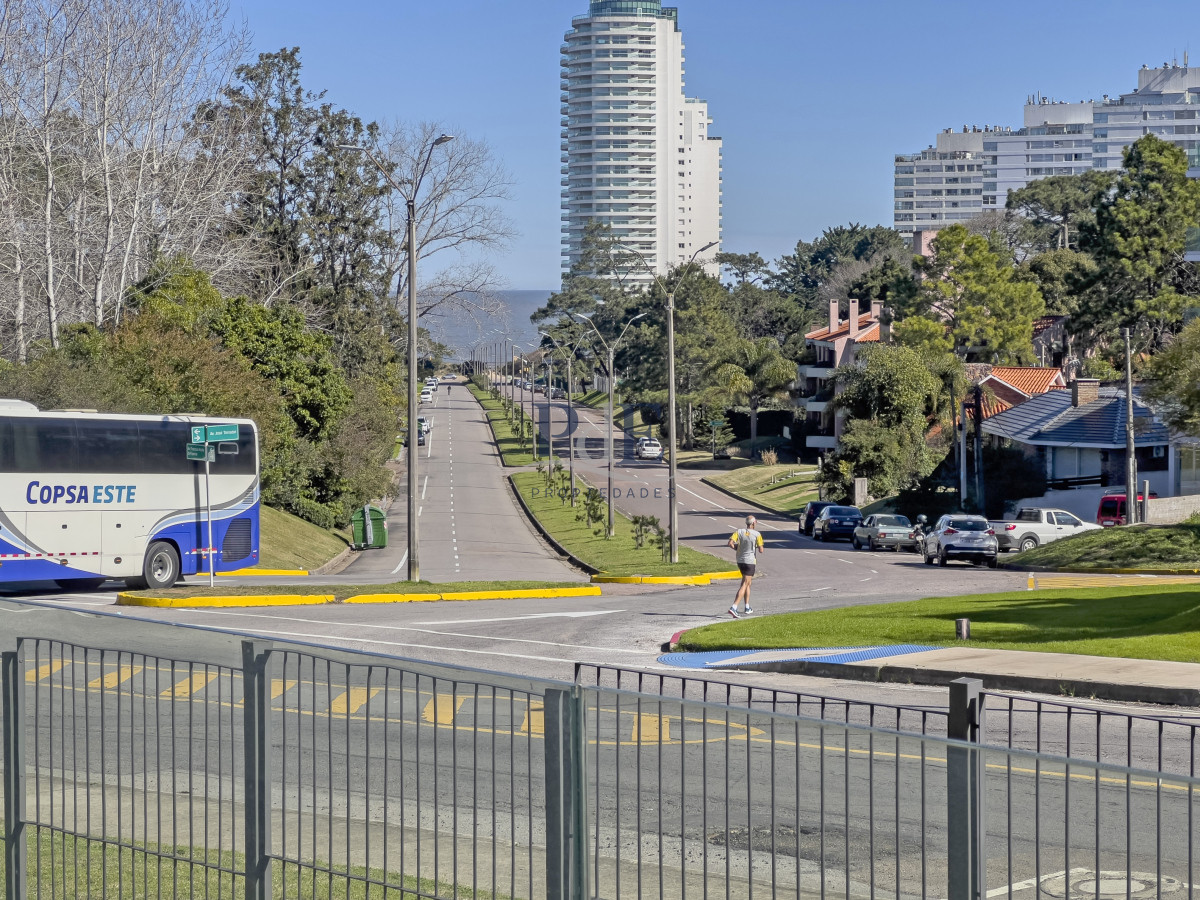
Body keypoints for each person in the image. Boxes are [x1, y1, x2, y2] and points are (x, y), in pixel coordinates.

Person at [727, 515, 764, 618]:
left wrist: (738, 548)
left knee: (747, 582)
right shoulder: (757, 534)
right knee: (745, 584)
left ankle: (747, 606)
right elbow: (761, 550)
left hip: (740, 560)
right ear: (753, 523)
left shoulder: (739, 532)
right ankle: (734, 607)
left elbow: (730, 543)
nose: (755, 523)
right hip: (750, 561)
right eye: (755, 522)